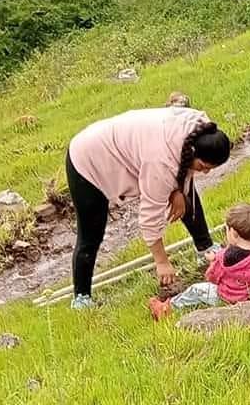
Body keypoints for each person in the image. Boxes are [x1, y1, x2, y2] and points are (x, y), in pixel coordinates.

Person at [65, 107, 231, 309]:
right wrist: (162, 262)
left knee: (187, 195)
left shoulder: (203, 129)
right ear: (193, 152)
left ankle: (205, 249)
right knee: (91, 233)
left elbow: (183, 170)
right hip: (89, 159)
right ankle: (81, 298)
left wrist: (178, 189)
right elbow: (150, 216)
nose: (204, 173)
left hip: (127, 142)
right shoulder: (160, 162)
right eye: (203, 166)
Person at [149, 202, 250, 320]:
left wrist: (213, 261)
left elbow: (213, 277)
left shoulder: (226, 258)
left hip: (230, 296)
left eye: (226, 229)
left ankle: (167, 309)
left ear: (234, 233)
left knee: (195, 290)